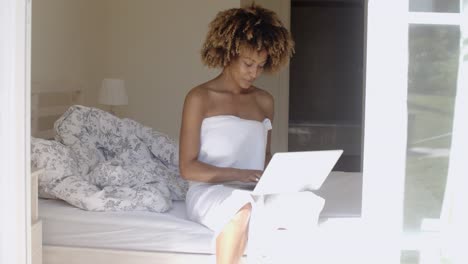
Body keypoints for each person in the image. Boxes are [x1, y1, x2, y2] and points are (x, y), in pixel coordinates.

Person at [179, 5, 323, 263]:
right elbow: (188, 169)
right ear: (228, 54)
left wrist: (284, 176)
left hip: (254, 187)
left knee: (305, 206)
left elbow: (264, 156)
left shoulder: (264, 101)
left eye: (260, 65)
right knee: (240, 209)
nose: (254, 73)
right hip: (211, 190)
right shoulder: (199, 98)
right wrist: (240, 174)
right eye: (248, 63)